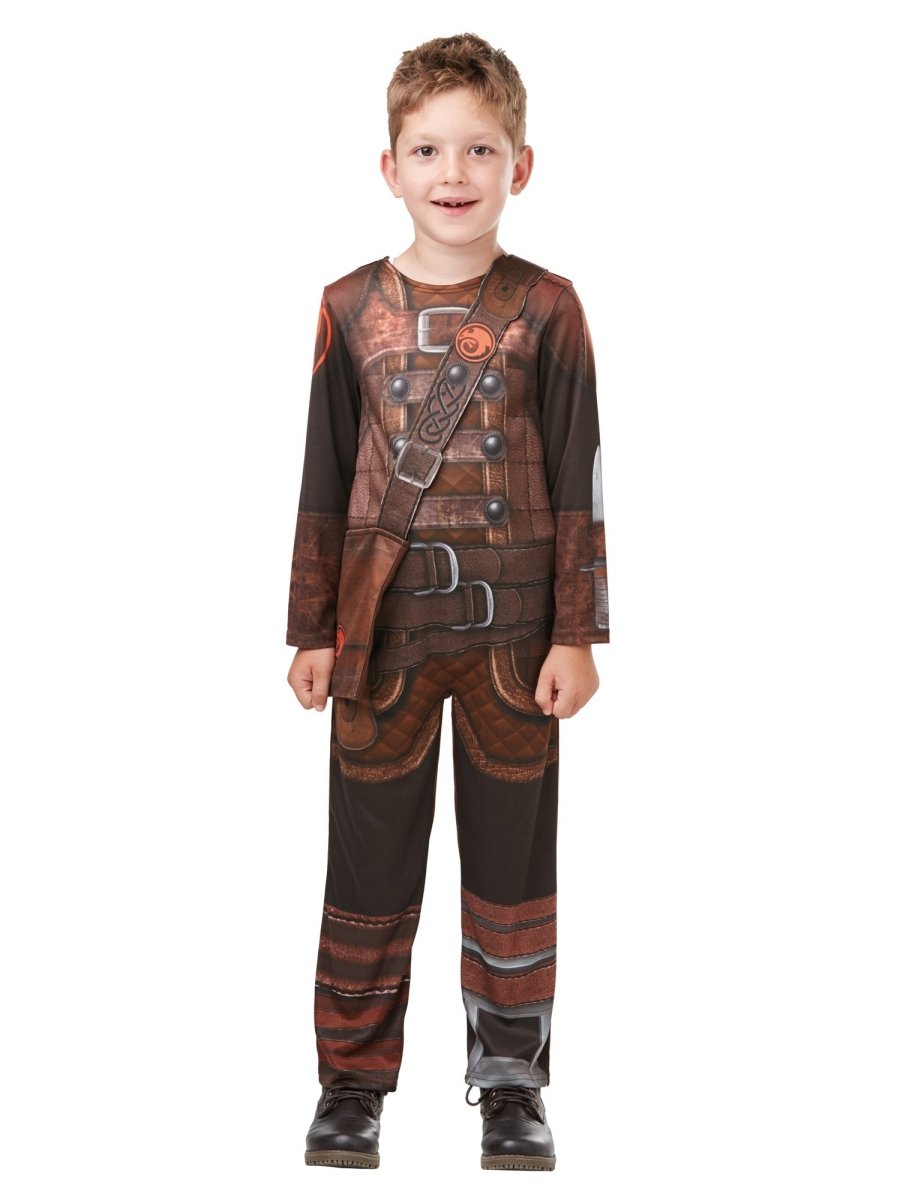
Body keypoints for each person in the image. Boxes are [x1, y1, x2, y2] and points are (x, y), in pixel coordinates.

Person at [285, 31, 610, 1171]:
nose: (454, 172)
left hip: (519, 646)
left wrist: (578, 632)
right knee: (367, 869)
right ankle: (350, 1084)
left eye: (480, 148)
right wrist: (309, 629)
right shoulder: (346, 307)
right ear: (390, 167)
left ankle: (512, 1085)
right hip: (379, 642)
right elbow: (324, 480)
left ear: (522, 164)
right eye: (427, 149)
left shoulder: (550, 309)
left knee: (515, 869)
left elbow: (579, 478)